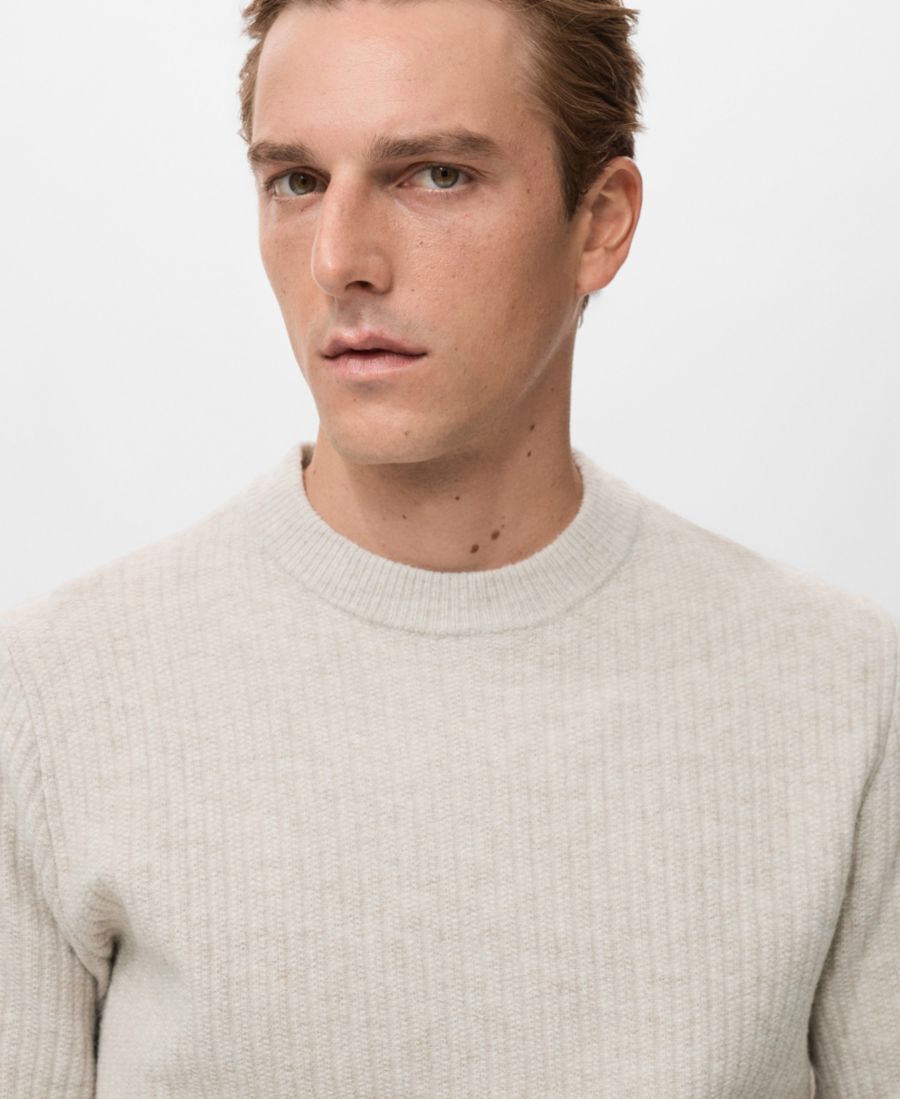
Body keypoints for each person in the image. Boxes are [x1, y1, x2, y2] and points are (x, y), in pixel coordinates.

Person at [1, 0, 897, 1094]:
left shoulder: (846, 698)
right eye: (296, 180)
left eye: (435, 175)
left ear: (600, 223)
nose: (340, 259)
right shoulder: (51, 699)